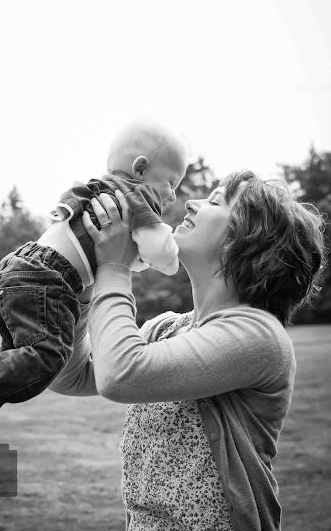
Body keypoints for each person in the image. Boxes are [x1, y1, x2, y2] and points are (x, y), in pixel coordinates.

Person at [48, 170, 326, 531]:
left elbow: (119, 375)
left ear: (250, 240)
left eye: (214, 201)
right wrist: (85, 279)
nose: (191, 203)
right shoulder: (165, 328)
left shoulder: (259, 336)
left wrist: (113, 267)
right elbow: (72, 376)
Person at [0, 118, 187, 451]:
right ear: (141, 169)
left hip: (20, 267)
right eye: (172, 183)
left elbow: (121, 252)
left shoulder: (100, 188)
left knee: (18, 354)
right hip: (49, 277)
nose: (173, 195)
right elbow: (161, 253)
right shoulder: (138, 195)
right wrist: (174, 253)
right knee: (48, 356)